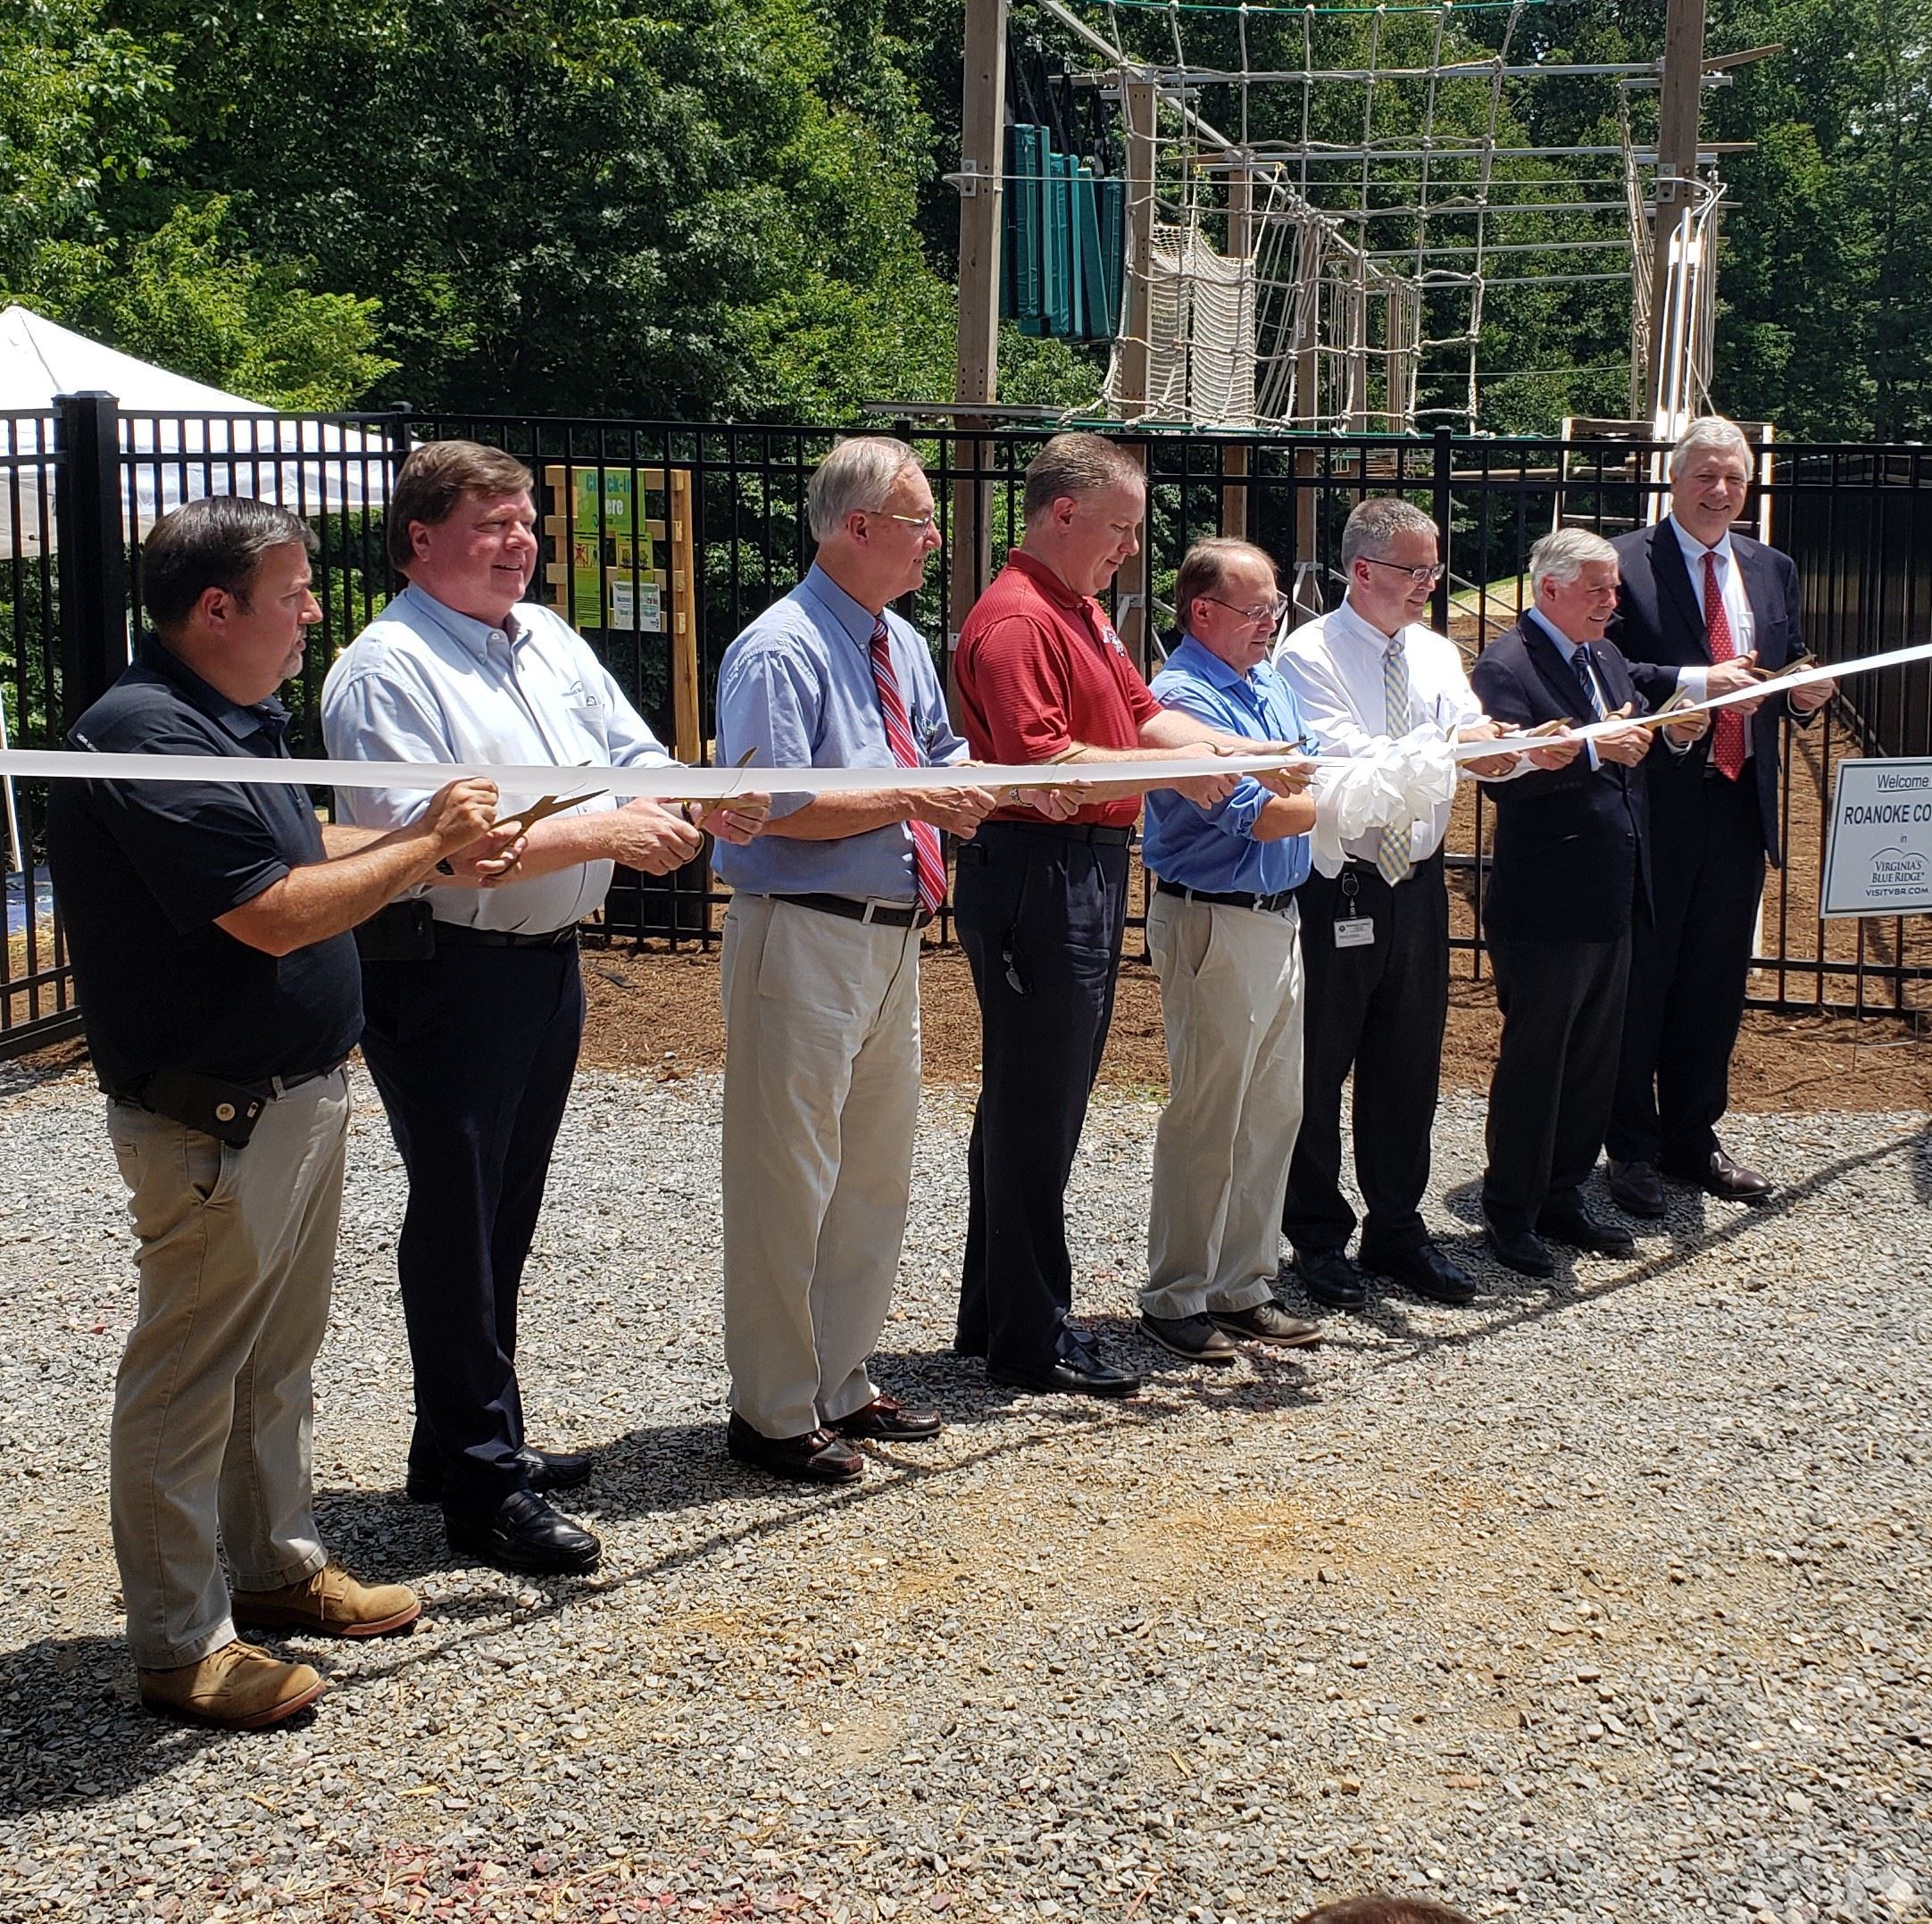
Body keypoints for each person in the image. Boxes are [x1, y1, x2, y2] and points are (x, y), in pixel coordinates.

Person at [48, 496, 522, 1728]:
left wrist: (413, 835)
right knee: (190, 1373)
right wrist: (422, 853)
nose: (316, 611)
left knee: (276, 1360)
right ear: (217, 609)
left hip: (293, 1095)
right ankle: (180, 1635)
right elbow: (266, 907)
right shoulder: (141, 732)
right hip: (216, 1116)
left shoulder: (221, 718)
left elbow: (289, 835)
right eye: (295, 592)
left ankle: (273, 1565)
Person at [321, 440, 767, 1577]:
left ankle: (468, 1437)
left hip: (540, 960)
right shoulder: (387, 669)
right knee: (460, 1211)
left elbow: (628, 754)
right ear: (419, 540)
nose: (520, 542)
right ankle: (479, 1479)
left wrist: (704, 797)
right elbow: (426, 847)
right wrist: (607, 829)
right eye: (490, 524)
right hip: (445, 968)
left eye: (524, 522)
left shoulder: (550, 638)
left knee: (503, 1209)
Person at [951, 431, 1300, 1398]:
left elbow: (1146, 714)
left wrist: (1240, 750)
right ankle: (1030, 1332)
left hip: (1080, 866)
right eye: (1117, 528)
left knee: (1034, 1099)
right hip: (1040, 866)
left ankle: (997, 1313)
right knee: (1037, 1104)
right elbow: (1045, 764)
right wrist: (1208, 766)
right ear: (1062, 513)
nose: (1128, 548)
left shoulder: (1081, 612)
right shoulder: (1021, 619)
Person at [710, 438, 1000, 1484]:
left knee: (872, 1172)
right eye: (919, 522)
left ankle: (838, 1377)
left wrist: (982, 779)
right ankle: (773, 1409)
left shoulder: (899, 642)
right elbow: (771, 804)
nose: (933, 541)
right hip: (801, 925)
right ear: (854, 528)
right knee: (787, 1175)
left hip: (888, 930)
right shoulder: (777, 650)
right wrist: (918, 795)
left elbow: (930, 748)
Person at [1271, 498, 1523, 1312]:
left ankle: (1397, 1225)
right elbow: (1354, 766)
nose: (1429, 583)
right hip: (1339, 880)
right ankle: (1315, 1233)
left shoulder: (1439, 656)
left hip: (1415, 881)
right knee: (1320, 1063)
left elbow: (1470, 742)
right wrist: (1460, 746)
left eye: (1434, 568)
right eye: (1415, 569)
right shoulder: (1307, 656)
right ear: (1363, 571)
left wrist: (1515, 749)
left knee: (1408, 1064)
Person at [1605, 415, 1836, 1213]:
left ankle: (1692, 1137)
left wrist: (1805, 688)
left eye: (1734, 478)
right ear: (1674, 479)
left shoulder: (1772, 567)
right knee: (1646, 978)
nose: (1721, 491)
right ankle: (1628, 1147)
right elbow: (1605, 668)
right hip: (1656, 801)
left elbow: (1788, 655)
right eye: (1705, 475)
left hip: (1740, 801)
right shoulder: (1626, 564)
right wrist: (1698, 682)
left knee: (1714, 981)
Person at [1470, 527, 1708, 1278]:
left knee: (1594, 1060)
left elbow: (1630, 737)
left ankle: (1562, 1194)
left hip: (1613, 888)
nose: (1614, 602)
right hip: (1546, 899)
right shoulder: (1507, 665)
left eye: (1613, 588)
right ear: (1550, 590)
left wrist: (1669, 734)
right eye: (1599, 589)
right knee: (1539, 1059)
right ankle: (1511, 1211)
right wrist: (1600, 747)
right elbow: (1500, 772)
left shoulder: (1603, 655)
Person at [1137, 538, 1322, 1363]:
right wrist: (1331, 795)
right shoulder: (1182, 697)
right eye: (1254, 610)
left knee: (1273, 1108)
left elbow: (1301, 778)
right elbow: (1263, 811)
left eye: (1274, 607)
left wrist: (1312, 789)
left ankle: (1243, 1282)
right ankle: (1175, 1293)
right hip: (1214, 916)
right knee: (1210, 1114)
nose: (1270, 622)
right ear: (1201, 612)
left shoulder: (1266, 681)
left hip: (1277, 915)